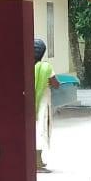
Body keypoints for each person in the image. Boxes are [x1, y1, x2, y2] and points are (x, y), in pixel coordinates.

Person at [33, 37, 61, 172]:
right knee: (41, 130)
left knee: (33, 130)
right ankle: (37, 163)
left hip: (28, 104)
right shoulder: (46, 67)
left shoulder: (25, 65)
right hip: (43, 102)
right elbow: (56, 84)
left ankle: (36, 160)